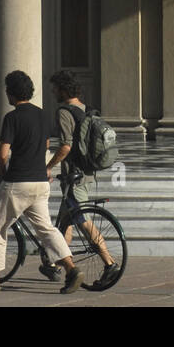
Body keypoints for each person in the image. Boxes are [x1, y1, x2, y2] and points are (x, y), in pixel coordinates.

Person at [0, 69, 82, 293]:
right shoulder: (43, 115)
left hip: (17, 182)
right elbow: (45, 146)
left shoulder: (12, 118)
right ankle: (72, 270)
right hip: (40, 182)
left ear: (11, 93)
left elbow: (3, 153)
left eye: (7, 91)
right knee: (47, 229)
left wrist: (3, 170)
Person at [47, 69, 120, 290]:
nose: (53, 92)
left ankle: (109, 263)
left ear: (61, 90)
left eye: (54, 89)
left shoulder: (64, 112)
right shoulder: (87, 109)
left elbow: (66, 146)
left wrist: (48, 167)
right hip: (87, 173)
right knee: (64, 222)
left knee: (83, 220)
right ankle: (56, 265)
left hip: (74, 177)